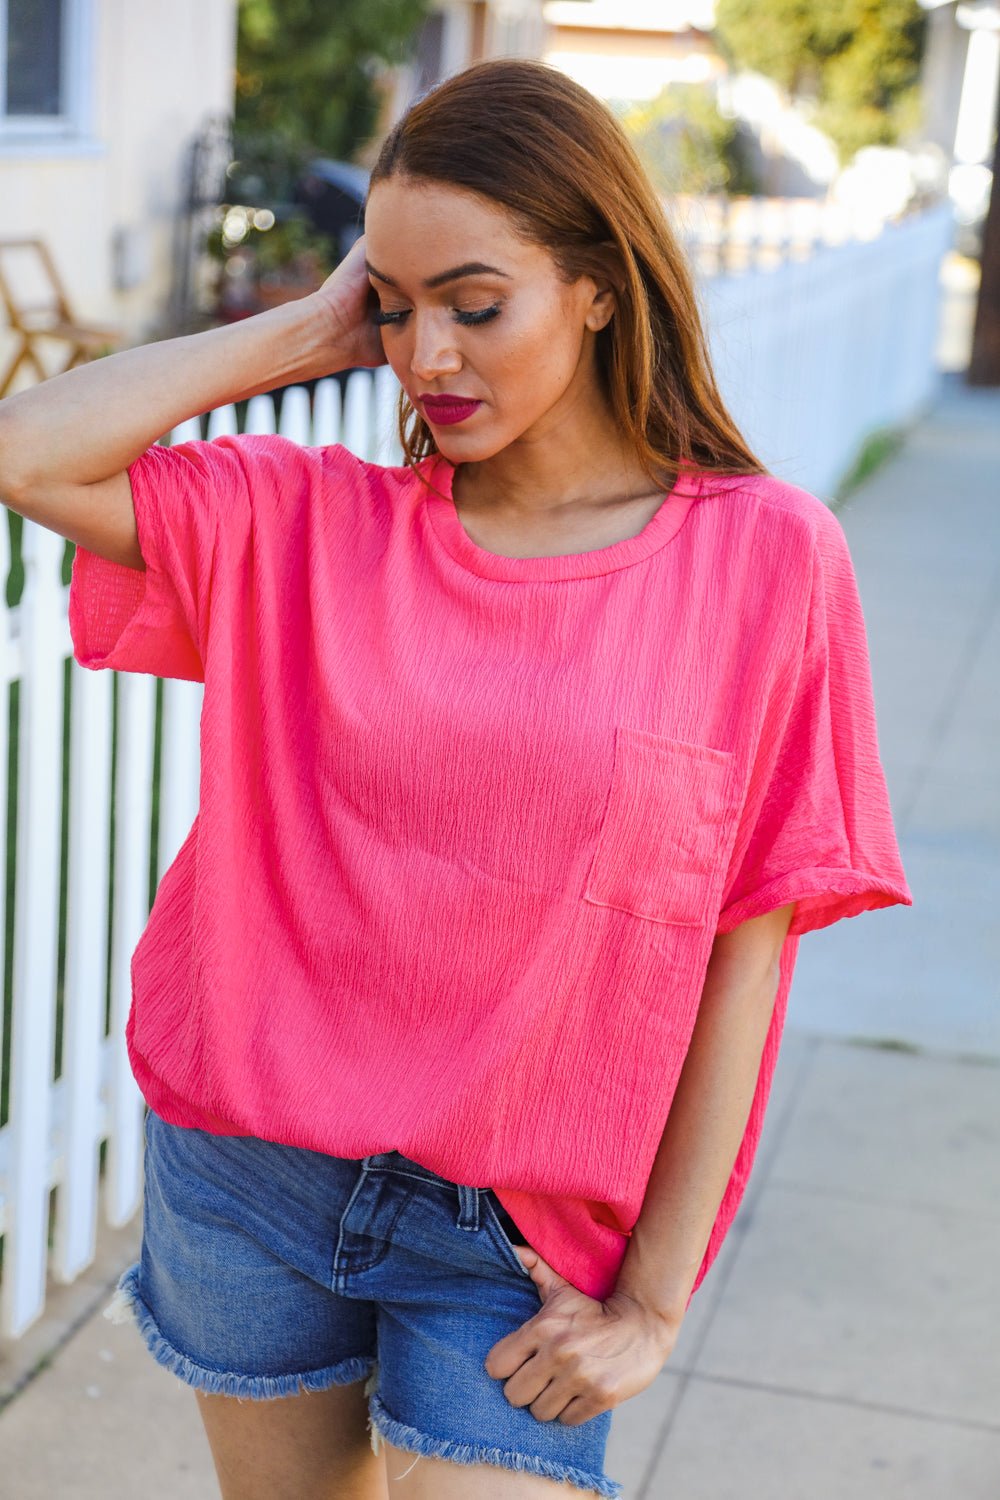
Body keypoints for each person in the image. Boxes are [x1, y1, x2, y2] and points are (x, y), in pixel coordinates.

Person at [0, 58, 912, 1500]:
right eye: (398, 306)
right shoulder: (300, 526)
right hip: (250, 1172)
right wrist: (306, 328)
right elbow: (26, 455)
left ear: (600, 285)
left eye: (475, 305)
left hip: (525, 1233)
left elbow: (747, 947)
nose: (429, 355)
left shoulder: (767, 562)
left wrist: (657, 1300)